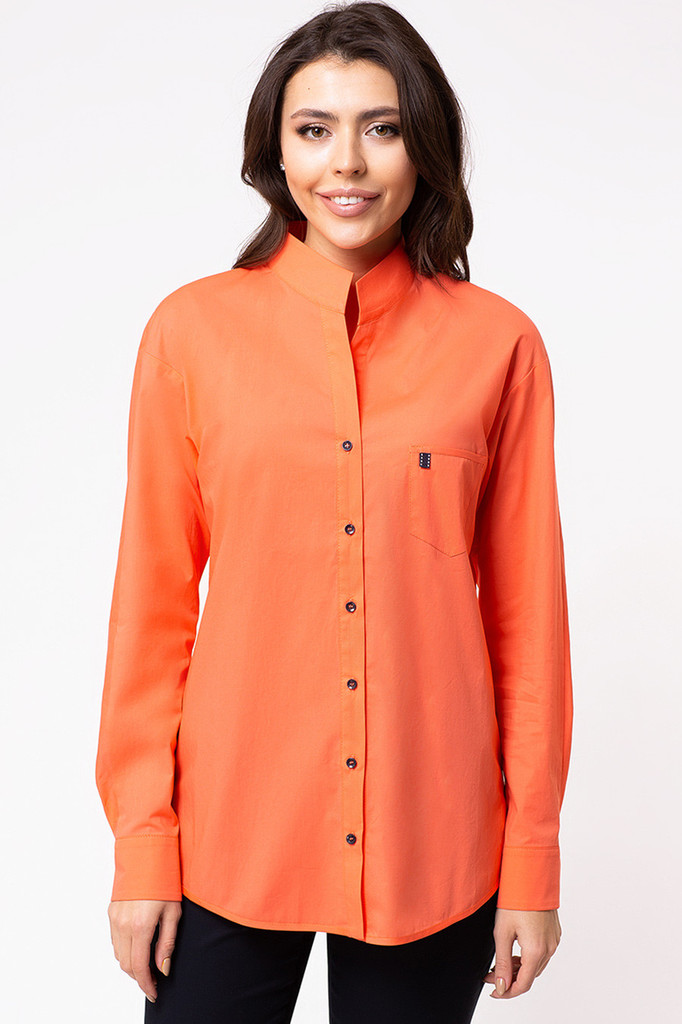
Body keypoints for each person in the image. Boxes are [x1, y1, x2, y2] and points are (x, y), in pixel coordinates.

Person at [95, 3, 574, 1022]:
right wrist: (143, 844)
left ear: (423, 146)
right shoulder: (192, 334)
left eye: (381, 127)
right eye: (314, 129)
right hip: (232, 836)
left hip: (432, 840)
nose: (345, 163)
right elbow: (152, 608)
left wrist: (531, 857)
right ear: (276, 150)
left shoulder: (498, 346)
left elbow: (527, 626)